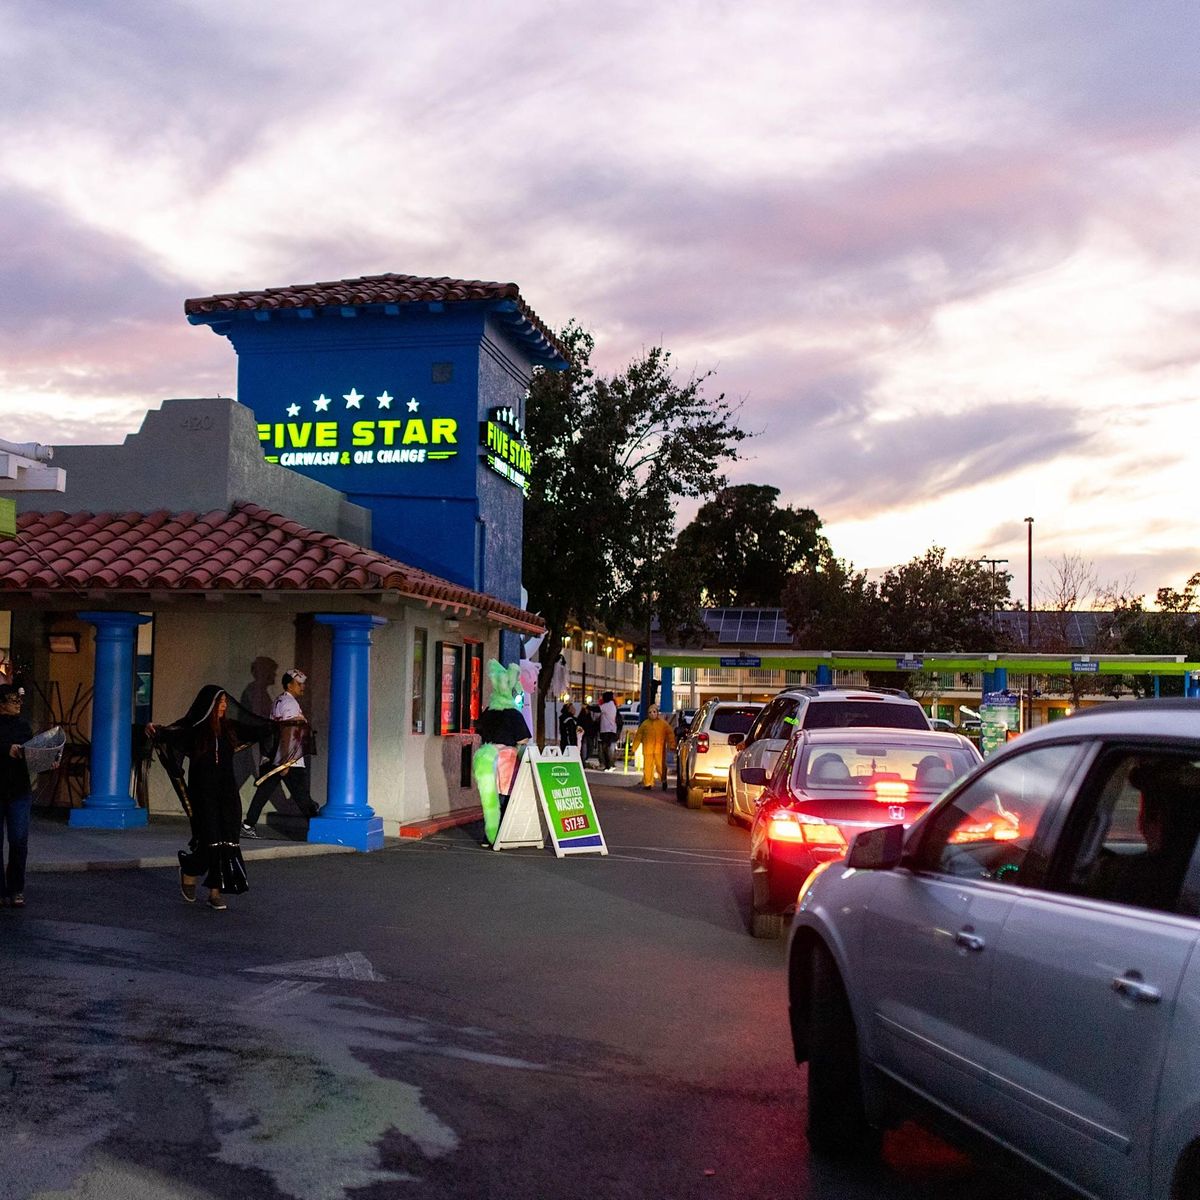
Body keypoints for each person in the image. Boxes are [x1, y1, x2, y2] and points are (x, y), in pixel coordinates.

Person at [148, 685, 276, 911]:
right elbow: (172, 733)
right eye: (221, 702)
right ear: (210, 704)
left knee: (227, 839)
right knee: (210, 839)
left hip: (227, 791)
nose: (225, 705)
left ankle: (215, 892)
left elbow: (257, 730)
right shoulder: (195, 729)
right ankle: (189, 869)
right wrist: (155, 730)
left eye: (226, 701)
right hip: (203, 791)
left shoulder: (230, 728)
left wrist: (282, 725)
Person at [242, 669, 319, 837]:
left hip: (277, 757)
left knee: (264, 791)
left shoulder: (280, 700)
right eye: (299, 684)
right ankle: (320, 828)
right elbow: (287, 731)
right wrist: (285, 761)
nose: (303, 687)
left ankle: (248, 824)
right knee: (301, 795)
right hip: (289, 759)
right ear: (289, 685)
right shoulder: (289, 703)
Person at [472, 661, 532, 846]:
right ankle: (499, 836)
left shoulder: (489, 711)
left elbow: (479, 729)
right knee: (504, 796)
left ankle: (487, 836)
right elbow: (523, 739)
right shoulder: (514, 714)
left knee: (489, 799)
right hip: (506, 758)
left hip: (485, 756)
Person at [0, 684, 34, 908]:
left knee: (19, 840)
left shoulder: (23, 726)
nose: (18, 704)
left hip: (19, 790)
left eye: (19, 700)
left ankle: (16, 888)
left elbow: (32, 753)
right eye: (14, 700)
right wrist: (6, 750)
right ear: (1, 704)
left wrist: (47, 760)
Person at [631, 704, 677, 791]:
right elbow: (638, 736)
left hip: (659, 750)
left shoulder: (663, 724)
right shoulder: (645, 724)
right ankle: (648, 783)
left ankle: (663, 780)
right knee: (647, 767)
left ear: (657, 713)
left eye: (654, 712)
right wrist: (634, 747)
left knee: (661, 766)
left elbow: (670, 734)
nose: (652, 714)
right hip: (647, 749)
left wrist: (672, 744)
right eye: (650, 712)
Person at [598, 692, 619, 771]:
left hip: (607, 730)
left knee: (606, 748)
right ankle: (609, 765)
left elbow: (598, 709)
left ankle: (609, 765)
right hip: (611, 730)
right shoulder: (612, 705)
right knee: (609, 748)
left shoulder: (607, 705)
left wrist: (587, 706)